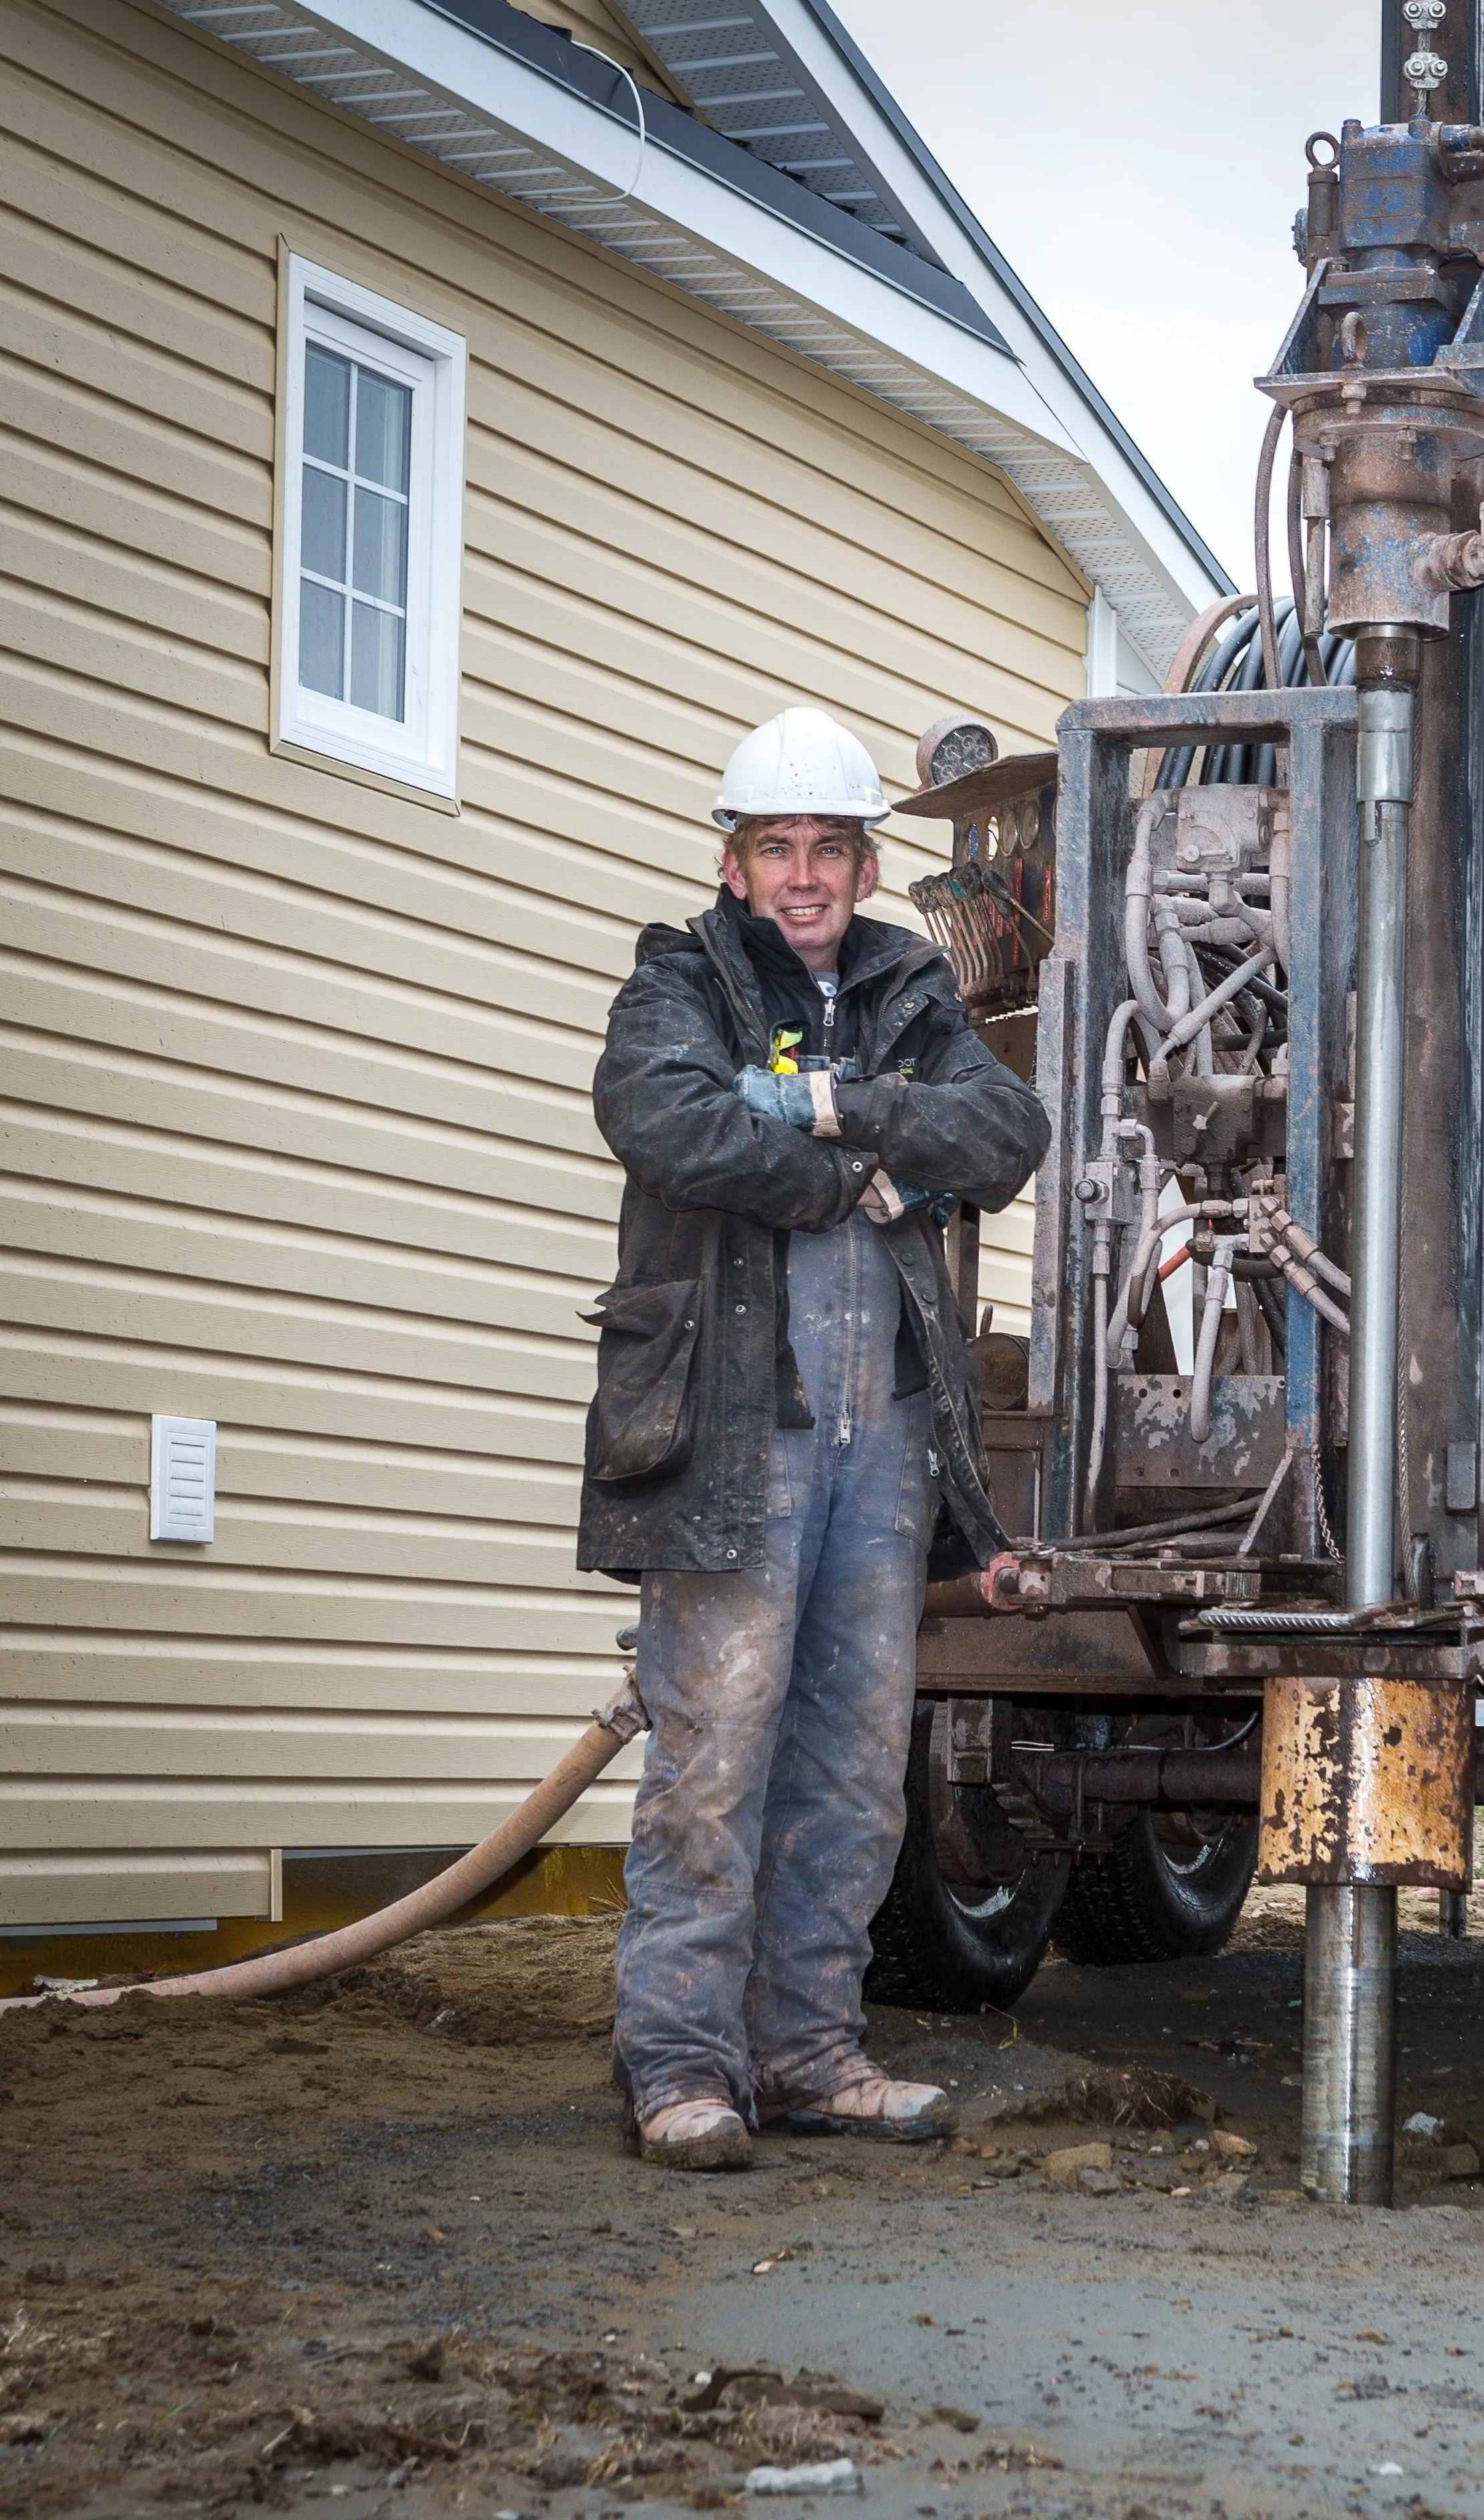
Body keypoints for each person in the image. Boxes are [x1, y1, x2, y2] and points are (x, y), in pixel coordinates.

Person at [580, 706, 1048, 2172]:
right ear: (734, 865)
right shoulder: (681, 979)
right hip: (734, 1429)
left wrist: (835, 1103)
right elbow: (663, 1119)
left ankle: (808, 2051)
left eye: (828, 848)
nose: (802, 873)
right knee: (715, 1751)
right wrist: (843, 1180)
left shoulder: (911, 985)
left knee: (851, 1760)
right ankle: (678, 2064)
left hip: (886, 1435)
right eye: (775, 846)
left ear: (864, 864)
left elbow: (1005, 1134)